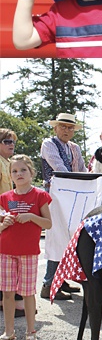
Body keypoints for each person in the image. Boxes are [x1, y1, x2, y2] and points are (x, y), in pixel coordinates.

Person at [0, 155, 52, 340]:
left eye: (23, 170)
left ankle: (31, 334)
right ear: (10, 175)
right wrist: (3, 225)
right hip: (5, 251)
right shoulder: (4, 198)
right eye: (14, 171)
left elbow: (49, 223)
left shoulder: (40, 195)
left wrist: (31, 216)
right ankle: (8, 333)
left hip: (29, 252)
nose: (19, 174)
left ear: (32, 173)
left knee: (28, 293)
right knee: (7, 293)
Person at [39, 113, 86, 300]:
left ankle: (60, 278)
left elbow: (81, 170)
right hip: (55, 194)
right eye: (63, 126)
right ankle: (48, 283)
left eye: (70, 127)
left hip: (71, 194)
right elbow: (59, 168)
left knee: (68, 236)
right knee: (57, 235)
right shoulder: (48, 144)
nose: (67, 130)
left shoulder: (74, 148)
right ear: (55, 127)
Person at [0, 131, 24, 320]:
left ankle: (9, 300)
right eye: (6, 141)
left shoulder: (9, 164)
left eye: (13, 142)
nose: (11, 144)